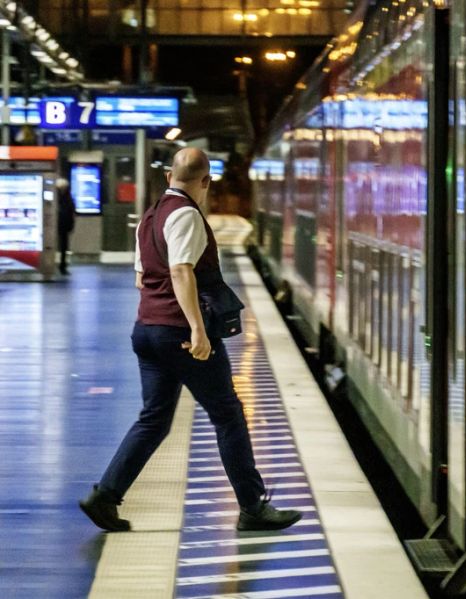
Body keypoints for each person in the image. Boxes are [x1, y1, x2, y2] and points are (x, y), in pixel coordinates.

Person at [79, 148, 301, 532]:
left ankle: (105, 497)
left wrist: (163, 312)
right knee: (228, 414)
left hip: (147, 330)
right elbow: (181, 272)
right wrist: (197, 329)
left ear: (169, 177)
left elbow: (141, 278)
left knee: (154, 420)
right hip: (179, 334)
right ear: (206, 181)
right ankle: (252, 507)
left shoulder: (148, 218)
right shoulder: (186, 215)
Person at [56, 178, 76, 275]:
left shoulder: (57, 197)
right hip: (63, 225)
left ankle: (62, 265)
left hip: (59, 224)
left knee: (63, 246)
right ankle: (62, 266)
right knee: (64, 246)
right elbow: (71, 211)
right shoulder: (68, 198)